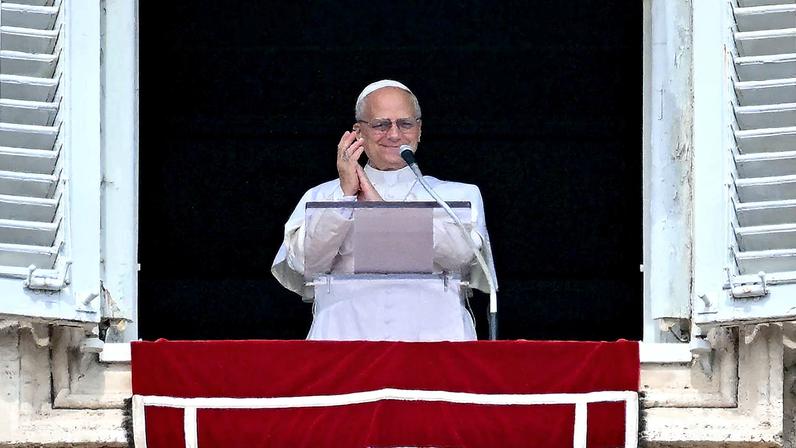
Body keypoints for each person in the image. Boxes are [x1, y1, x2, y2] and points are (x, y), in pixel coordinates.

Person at [271, 80, 496, 341]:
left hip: (436, 340)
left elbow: (460, 256)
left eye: (405, 124)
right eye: (380, 124)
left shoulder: (457, 195)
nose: (394, 134)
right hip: (343, 340)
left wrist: (380, 209)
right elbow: (305, 264)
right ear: (358, 132)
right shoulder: (322, 196)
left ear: (419, 129)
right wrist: (345, 198)